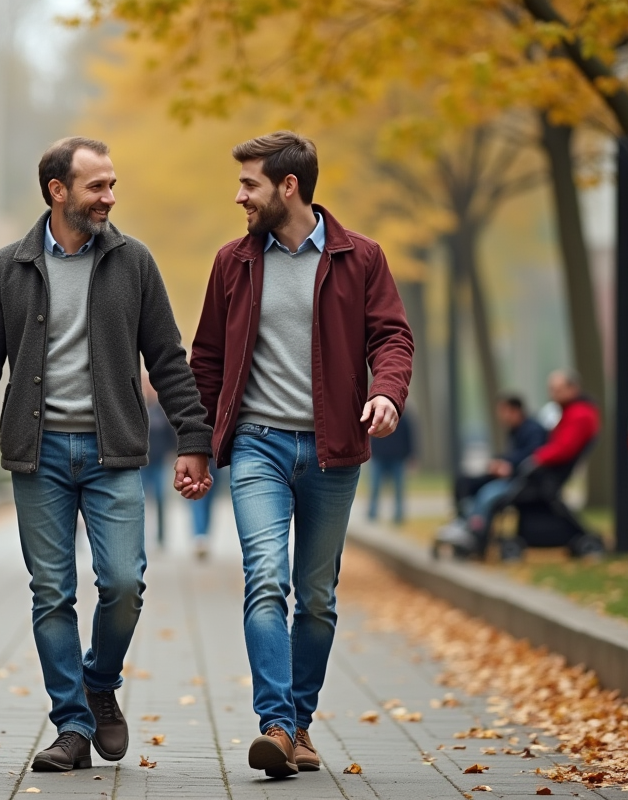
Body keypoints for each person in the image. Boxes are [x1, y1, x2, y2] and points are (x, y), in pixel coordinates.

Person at [0, 137, 214, 772]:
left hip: (112, 451)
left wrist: (194, 441)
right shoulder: (9, 268)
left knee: (123, 584)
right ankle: (72, 725)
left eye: (112, 185)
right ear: (58, 191)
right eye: (97, 187)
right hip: (38, 458)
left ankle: (100, 679)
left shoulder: (133, 262)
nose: (109, 197)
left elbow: (168, 358)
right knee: (51, 593)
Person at [191, 131, 414, 778]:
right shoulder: (233, 262)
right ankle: (277, 723)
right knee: (266, 578)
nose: (239, 197)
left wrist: (388, 395)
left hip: (333, 450)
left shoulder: (361, 258)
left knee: (317, 596)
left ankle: (301, 726)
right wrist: (196, 445)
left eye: (249, 185)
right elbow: (205, 359)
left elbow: (392, 336)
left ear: (288, 186)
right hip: (258, 443)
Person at [453, 394, 547, 541]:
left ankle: (476, 532)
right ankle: (467, 522)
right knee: (464, 482)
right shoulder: (516, 430)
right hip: (511, 476)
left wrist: (508, 466)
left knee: (486, 495)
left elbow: (533, 455)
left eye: (503, 411)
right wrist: (499, 462)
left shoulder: (533, 430)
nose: (500, 416)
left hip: (522, 481)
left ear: (515, 411)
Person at [141, 374, 176, 549]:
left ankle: (161, 537)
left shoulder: (162, 411)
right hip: (140, 463)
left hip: (159, 462)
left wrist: (173, 453)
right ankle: (139, 536)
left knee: (161, 498)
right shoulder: (138, 409)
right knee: (139, 501)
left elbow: (171, 434)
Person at [367, 411, 416, 525]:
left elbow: (410, 437)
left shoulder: (404, 418)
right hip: (379, 456)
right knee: (375, 487)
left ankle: (398, 515)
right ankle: (372, 513)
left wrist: (411, 456)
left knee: (399, 489)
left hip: (397, 458)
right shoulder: (378, 414)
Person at [189, 459, 222, 559]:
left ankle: (203, 534)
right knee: (198, 494)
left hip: (214, 460)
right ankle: (200, 534)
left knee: (209, 500)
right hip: (197, 456)